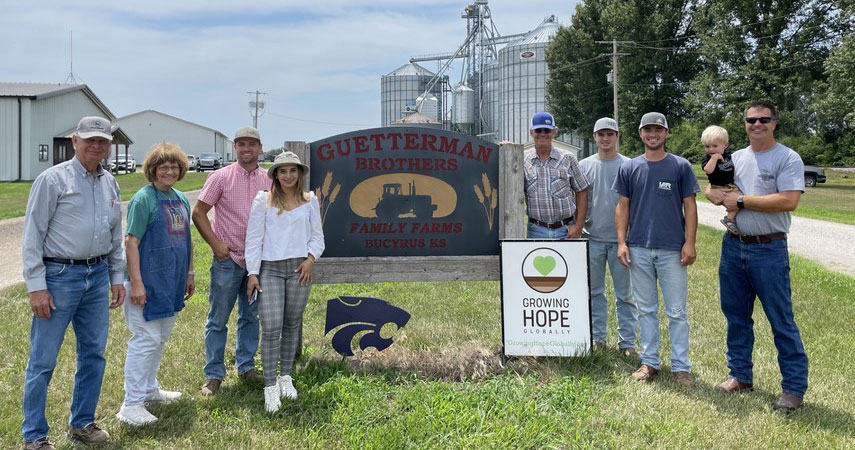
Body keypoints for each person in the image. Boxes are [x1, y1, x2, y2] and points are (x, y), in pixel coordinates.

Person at [21, 116, 125, 449]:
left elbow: (114, 236)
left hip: (96, 279)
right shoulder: (52, 180)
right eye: (90, 140)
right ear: (74, 140)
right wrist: (37, 286)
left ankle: (82, 423)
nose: (96, 146)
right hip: (59, 278)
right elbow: (32, 236)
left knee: (94, 354)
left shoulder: (110, 182)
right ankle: (34, 435)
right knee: (43, 359)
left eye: (103, 141)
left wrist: (115, 277)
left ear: (109, 145)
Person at [706, 101, 809, 413]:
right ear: (745, 123)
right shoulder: (734, 157)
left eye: (764, 119)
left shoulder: (787, 158)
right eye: (751, 120)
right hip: (734, 245)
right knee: (736, 316)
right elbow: (714, 189)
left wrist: (739, 199)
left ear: (774, 123)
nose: (757, 124)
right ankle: (740, 375)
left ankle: (793, 389)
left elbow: (788, 200)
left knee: (781, 320)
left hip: (769, 248)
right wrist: (714, 195)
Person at [614, 112, 699, 387]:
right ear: (640, 133)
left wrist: (689, 242)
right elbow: (622, 207)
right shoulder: (629, 167)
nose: (653, 134)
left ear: (666, 133)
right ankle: (650, 362)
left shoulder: (680, 166)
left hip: (672, 250)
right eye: (647, 130)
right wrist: (622, 242)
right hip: (638, 248)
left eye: (658, 130)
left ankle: (681, 367)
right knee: (646, 309)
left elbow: (690, 206)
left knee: (676, 311)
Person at [116, 143, 194, 426]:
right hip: (145, 281)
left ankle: (149, 389)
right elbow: (131, 242)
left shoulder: (181, 198)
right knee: (145, 340)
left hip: (170, 281)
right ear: (152, 170)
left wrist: (190, 273)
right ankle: (131, 404)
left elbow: (186, 239)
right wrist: (136, 284)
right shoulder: (143, 199)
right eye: (164, 167)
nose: (170, 171)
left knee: (159, 339)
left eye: (174, 167)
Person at [192, 126, 271, 395]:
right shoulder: (220, 177)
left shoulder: (269, 180)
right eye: (241, 144)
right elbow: (199, 212)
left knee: (250, 316)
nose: (246, 149)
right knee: (218, 318)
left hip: (256, 264)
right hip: (227, 259)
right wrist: (215, 244)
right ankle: (213, 374)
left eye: (252, 144)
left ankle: (246, 366)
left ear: (260, 147)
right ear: (235, 147)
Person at [245, 151, 324, 413]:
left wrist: (310, 259)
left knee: (292, 324)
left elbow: (317, 237)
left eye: (293, 171)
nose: (288, 176)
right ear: (276, 175)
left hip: (299, 269)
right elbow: (253, 239)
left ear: (299, 174)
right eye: (283, 171)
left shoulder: (310, 200)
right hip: (270, 269)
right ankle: (270, 386)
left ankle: (286, 377)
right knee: (271, 327)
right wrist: (253, 273)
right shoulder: (263, 201)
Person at [579, 118, 638, 358]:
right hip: (591, 238)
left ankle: (627, 343)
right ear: (594, 137)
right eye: (601, 134)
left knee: (625, 294)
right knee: (594, 292)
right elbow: (578, 201)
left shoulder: (630, 165)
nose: (605, 139)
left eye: (610, 134)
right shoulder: (583, 166)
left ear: (618, 136)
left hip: (621, 241)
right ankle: (597, 338)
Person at [524, 111, 589, 239]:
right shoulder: (523, 160)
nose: (543, 134)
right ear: (531, 132)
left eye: (547, 130)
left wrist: (579, 226)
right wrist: (504, 148)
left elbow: (582, 190)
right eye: (538, 130)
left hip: (565, 229)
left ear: (554, 132)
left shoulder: (567, 158)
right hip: (535, 230)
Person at [701, 125, 741, 234]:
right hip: (717, 187)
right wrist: (714, 158)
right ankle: (729, 220)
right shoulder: (708, 159)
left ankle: (729, 219)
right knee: (736, 202)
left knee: (739, 201)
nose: (711, 149)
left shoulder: (729, 156)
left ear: (725, 145)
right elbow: (708, 170)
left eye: (715, 146)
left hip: (730, 186)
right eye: (707, 146)